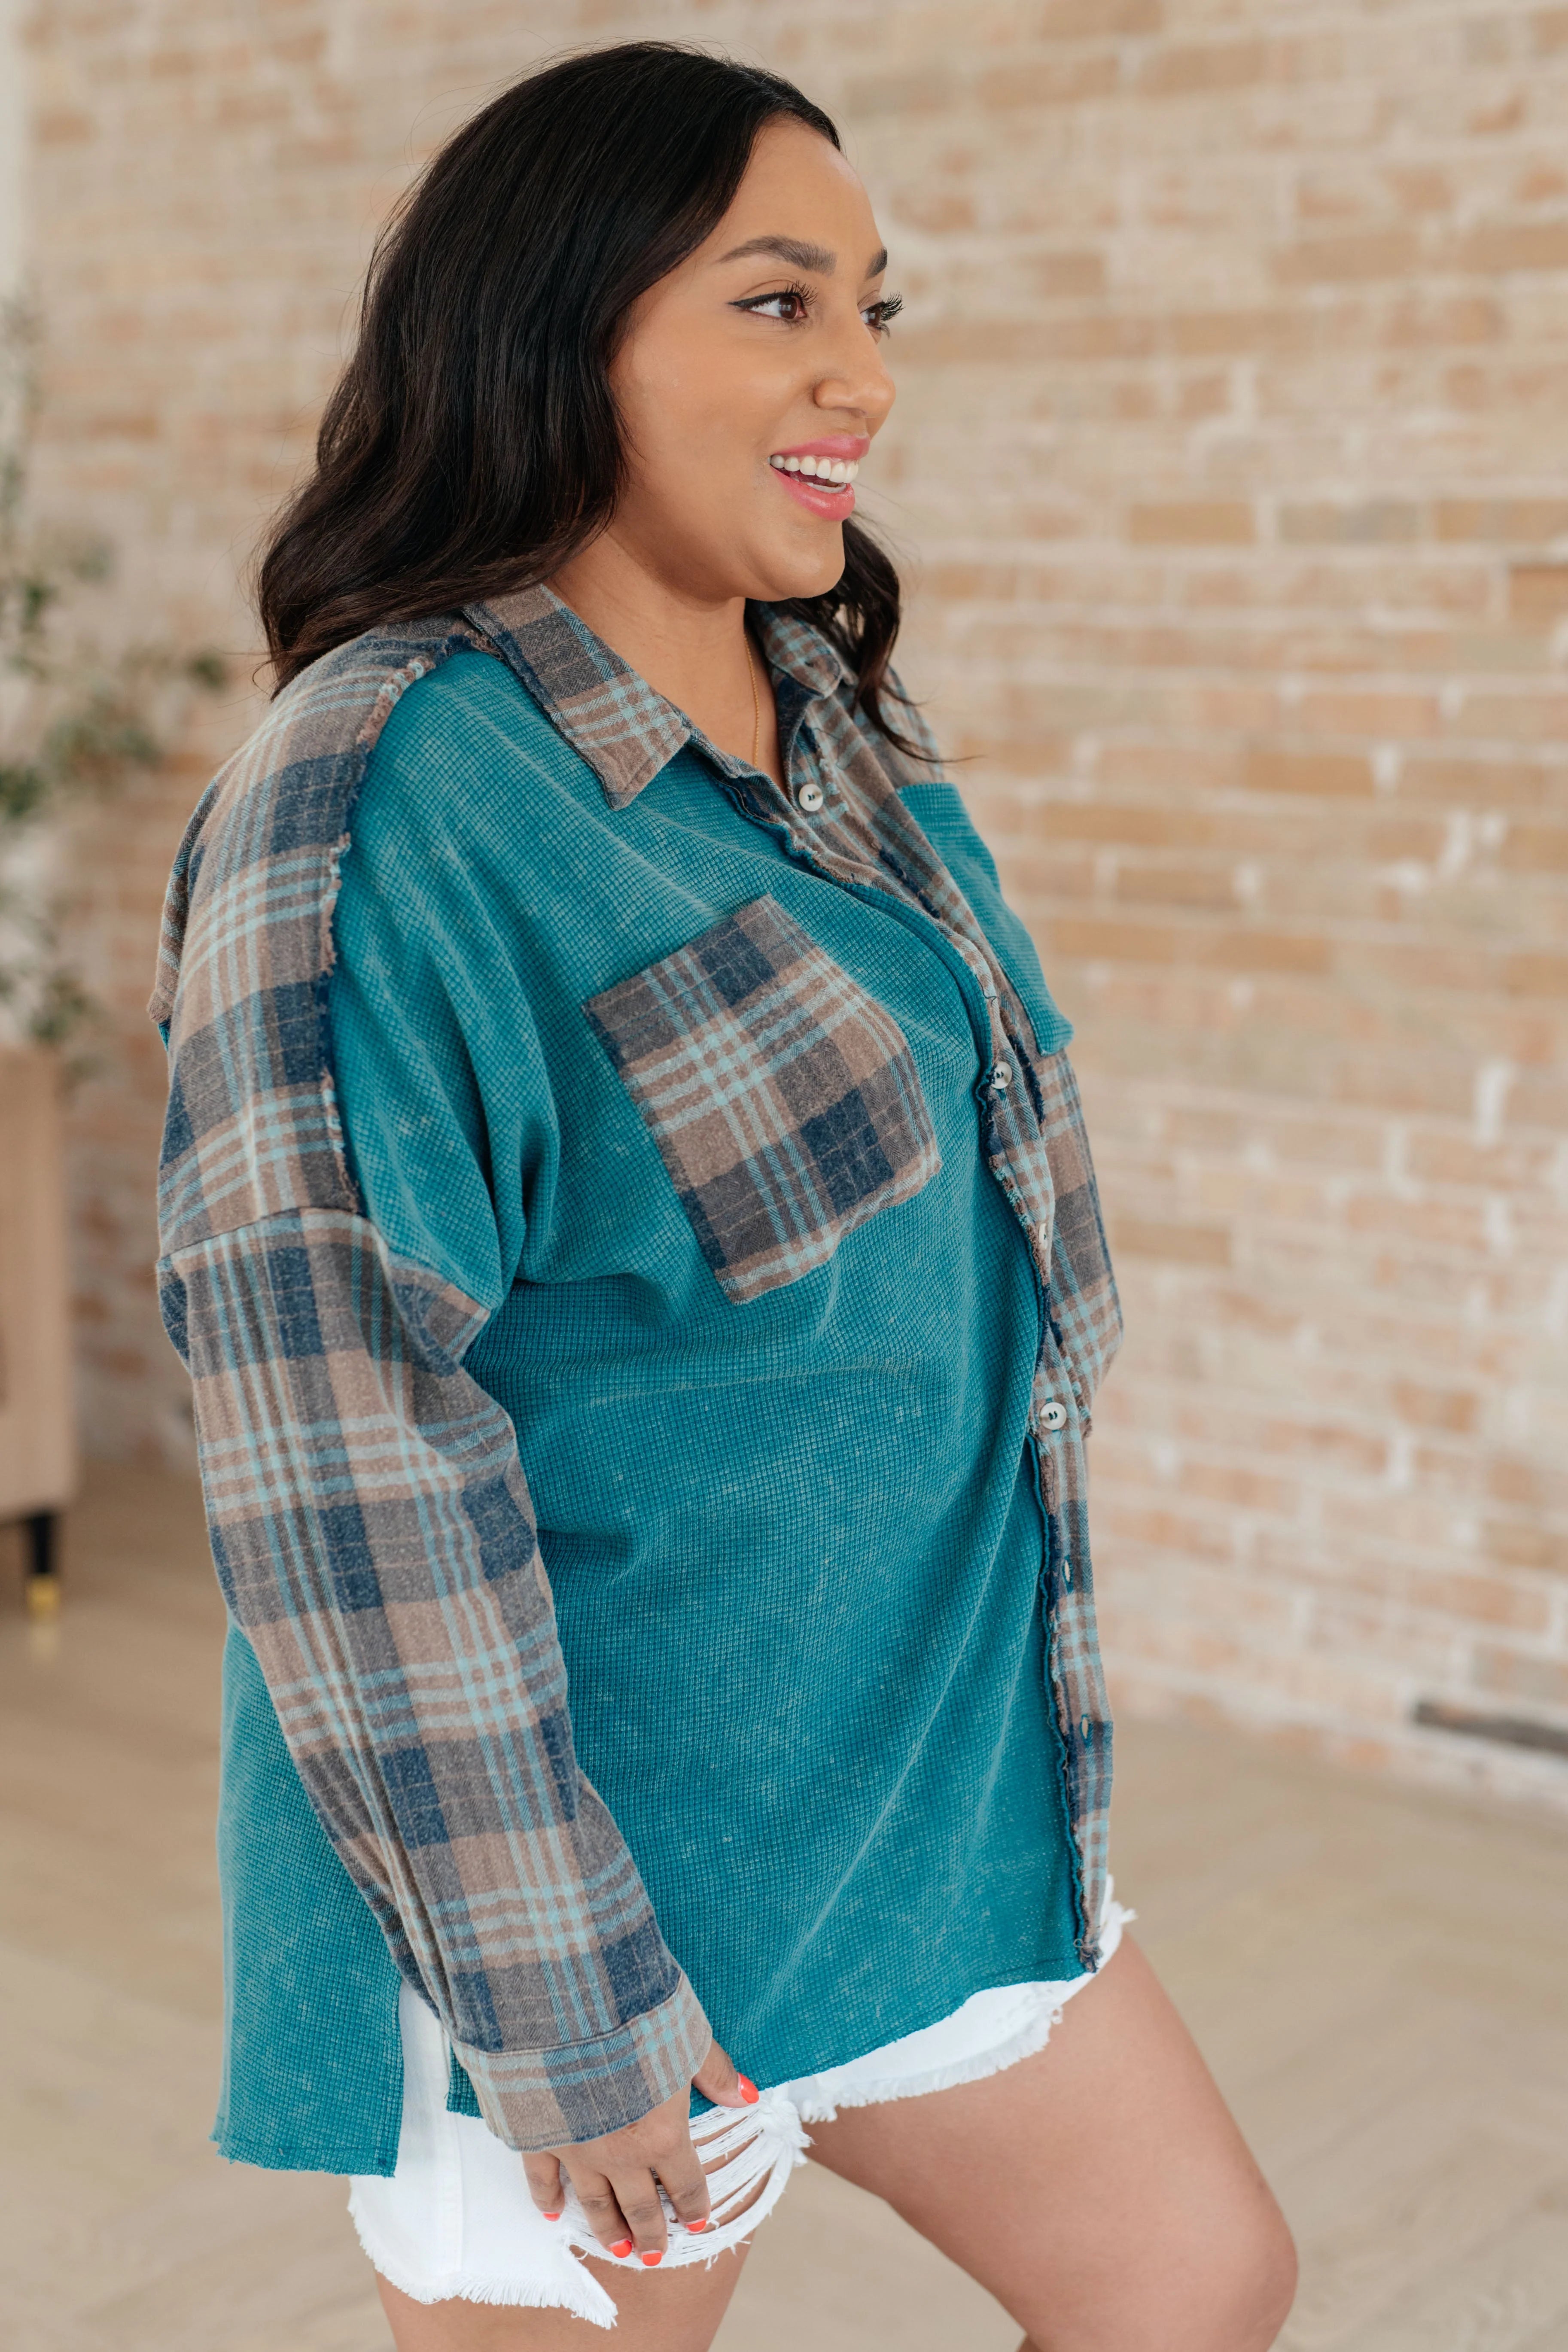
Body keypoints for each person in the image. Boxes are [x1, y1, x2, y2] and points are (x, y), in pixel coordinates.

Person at [151, 41, 1297, 2352]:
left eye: (877, 307)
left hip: (921, 1802)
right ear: (554, 328)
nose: (861, 376)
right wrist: (561, 2005)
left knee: (1192, 2283)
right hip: (590, 1891)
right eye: (779, 303)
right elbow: (337, 1443)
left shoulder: (831, 715)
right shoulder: (381, 793)